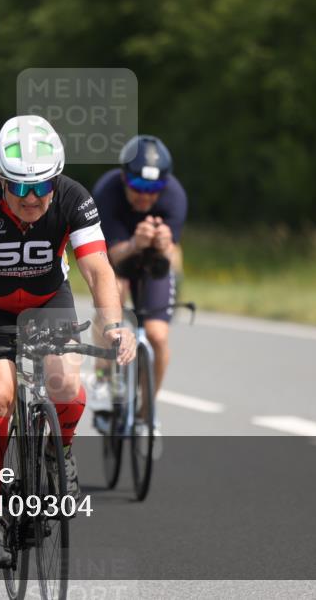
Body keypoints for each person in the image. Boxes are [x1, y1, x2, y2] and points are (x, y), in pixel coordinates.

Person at [0, 115, 136, 568]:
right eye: (20, 188)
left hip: (48, 299)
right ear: (0, 180)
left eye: (42, 187)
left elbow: (97, 268)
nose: (32, 199)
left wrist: (112, 326)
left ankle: (61, 452)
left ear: (56, 179)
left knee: (66, 386)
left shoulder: (74, 197)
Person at [90, 135, 187, 440]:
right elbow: (104, 255)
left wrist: (163, 245)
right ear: (123, 178)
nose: (146, 198)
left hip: (152, 265)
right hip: (117, 260)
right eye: (139, 188)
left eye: (153, 190)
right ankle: (104, 382)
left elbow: (171, 256)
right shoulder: (107, 192)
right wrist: (134, 243)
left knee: (157, 335)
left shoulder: (174, 196)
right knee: (111, 303)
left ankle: (147, 414)